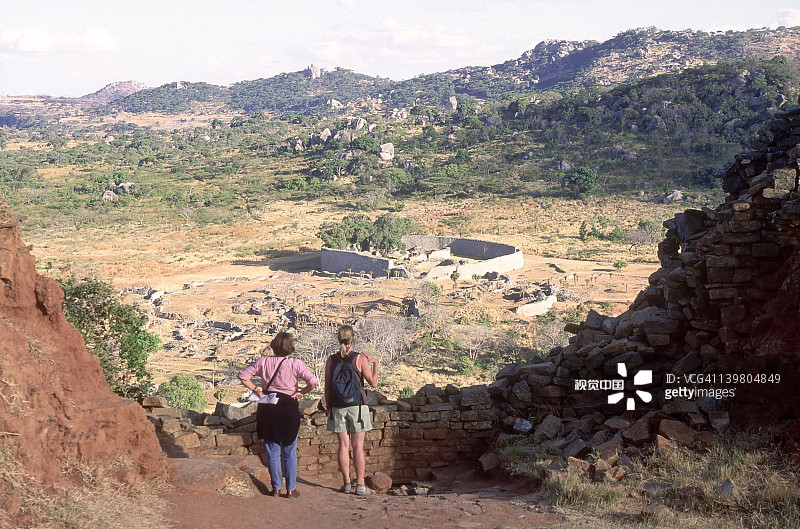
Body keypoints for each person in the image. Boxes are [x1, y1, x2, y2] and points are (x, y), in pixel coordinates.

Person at [238, 332, 318, 498]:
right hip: (288, 406)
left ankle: (275, 488)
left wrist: (256, 389)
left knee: (272, 450)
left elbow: (243, 375)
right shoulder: (296, 364)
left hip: (268, 406)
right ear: (290, 348)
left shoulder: (263, 361)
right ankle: (290, 489)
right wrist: (301, 392)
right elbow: (313, 382)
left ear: (273, 346)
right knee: (289, 449)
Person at [324, 325, 378, 496]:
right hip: (357, 406)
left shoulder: (331, 360)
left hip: (338, 407)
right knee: (358, 447)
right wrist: (375, 363)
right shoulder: (359, 359)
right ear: (353, 339)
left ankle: (346, 483)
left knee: (343, 446)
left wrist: (328, 406)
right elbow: (373, 383)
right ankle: (360, 484)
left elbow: (327, 387)